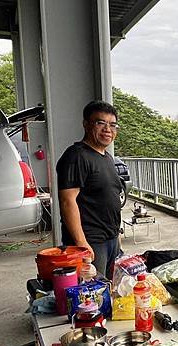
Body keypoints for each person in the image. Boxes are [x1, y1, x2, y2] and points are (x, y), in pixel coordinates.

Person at [56, 101, 123, 279]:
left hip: (110, 239)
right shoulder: (76, 156)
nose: (108, 129)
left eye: (113, 124)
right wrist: (81, 242)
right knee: (91, 296)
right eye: (100, 123)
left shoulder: (107, 157)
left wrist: (117, 234)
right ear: (86, 124)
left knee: (108, 288)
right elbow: (67, 201)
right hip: (91, 241)